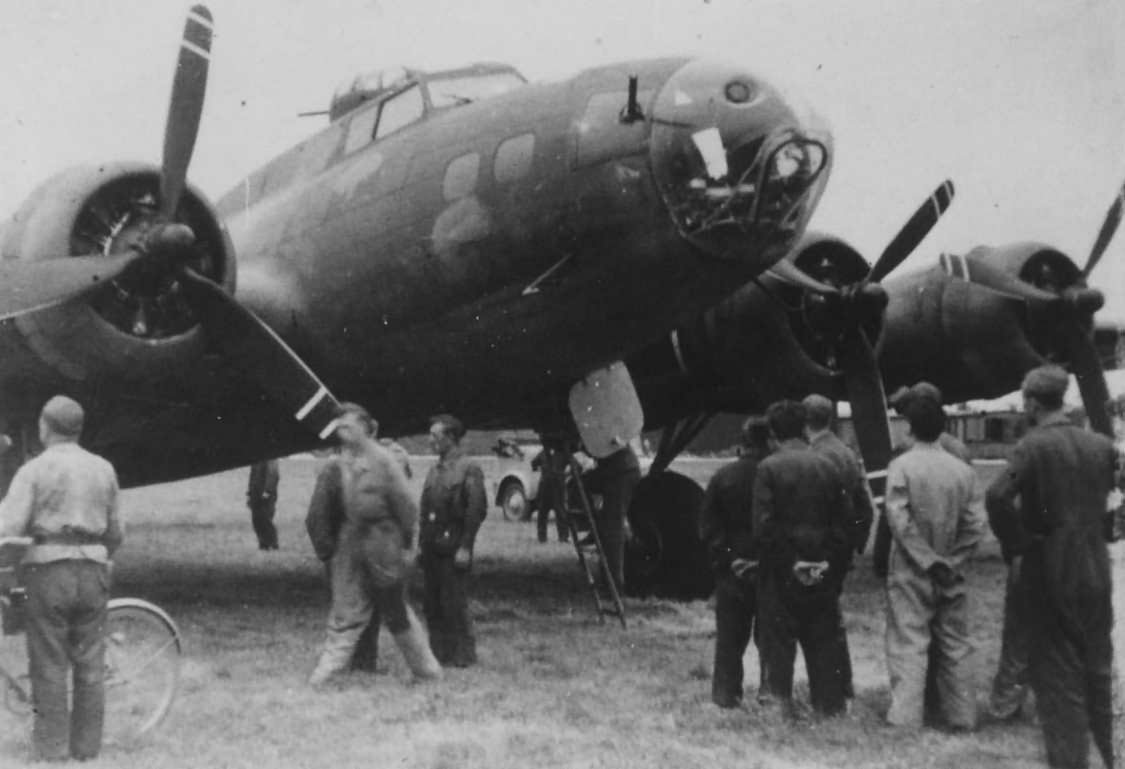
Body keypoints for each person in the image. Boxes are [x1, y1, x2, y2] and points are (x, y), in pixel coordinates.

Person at [986, 365, 1116, 769]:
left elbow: (997, 496)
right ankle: (1112, 755)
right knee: (1097, 667)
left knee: (1058, 677)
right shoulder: (1101, 445)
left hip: (1050, 567)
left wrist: (1020, 544)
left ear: (1030, 402)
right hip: (1096, 566)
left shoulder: (1033, 446)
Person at [0, 396, 122, 761]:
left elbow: (8, 525)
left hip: (48, 571)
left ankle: (52, 749)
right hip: (93, 570)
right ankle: (86, 749)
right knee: (89, 661)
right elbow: (116, 530)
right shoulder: (104, 469)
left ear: (44, 427)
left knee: (49, 661)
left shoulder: (35, 470)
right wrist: (100, 555)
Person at [306, 402, 441, 686]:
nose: (343, 431)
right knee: (345, 611)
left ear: (364, 428)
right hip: (350, 545)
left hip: (382, 545)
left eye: (349, 425)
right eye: (340, 425)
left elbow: (407, 509)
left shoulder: (384, 461)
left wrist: (407, 549)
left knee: (396, 612)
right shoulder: (342, 462)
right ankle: (326, 676)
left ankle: (427, 672)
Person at [883, 395, 983, 729]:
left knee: (909, 640)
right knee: (956, 643)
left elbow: (899, 520)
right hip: (951, 569)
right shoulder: (962, 471)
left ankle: (906, 716)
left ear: (909, 427)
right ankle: (962, 714)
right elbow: (974, 525)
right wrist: (951, 561)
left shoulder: (902, 466)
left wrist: (927, 560)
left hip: (912, 567)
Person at [751, 399, 853, 717]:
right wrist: (826, 563)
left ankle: (777, 705)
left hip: (782, 574)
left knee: (778, 641)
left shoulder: (768, 468)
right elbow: (843, 524)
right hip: (821, 570)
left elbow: (764, 529)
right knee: (823, 638)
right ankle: (830, 706)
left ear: (774, 433)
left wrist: (790, 562)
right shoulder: (828, 466)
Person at [802, 394, 875, 706]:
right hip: (841, 547)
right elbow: (864, 506)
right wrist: (855, 544)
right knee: (831, 615)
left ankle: (830, 690)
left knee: (819, 619)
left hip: (821, 548)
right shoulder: (846, 453)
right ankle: (842, 683)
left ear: (805, 421)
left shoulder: (814, 456)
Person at [699, 416, 770, 709]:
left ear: (744, 442)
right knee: (770, 640)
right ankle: (770, 694)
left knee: (729, 639)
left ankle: (726, 696)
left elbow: (708, 528)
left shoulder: (723, 476)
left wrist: (727, 559)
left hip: (732, 570)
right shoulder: (775, 474)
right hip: (769, 569)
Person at [419, 414, 487, 667]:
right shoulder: (434, 470)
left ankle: (463, 657)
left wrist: (466, 547)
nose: (431, 441)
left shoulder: (469, 468)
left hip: (453, 546)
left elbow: (476, 509)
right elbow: (425, 510)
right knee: (432, 604)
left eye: (435, 436)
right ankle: (439, 653)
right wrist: (420, 545)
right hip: (431, 548)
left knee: (454, 603)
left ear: (451, 438)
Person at [532, 445, 569, 544]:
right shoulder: (562, 452)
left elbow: (534, 464)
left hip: (549, 485)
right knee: (557, 511)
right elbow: (533, 463)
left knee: (545, 512)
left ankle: (543, 537)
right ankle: (562, 537)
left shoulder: (544, 452)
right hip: (555, 485)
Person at [246, 459, 280, 550]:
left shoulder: (271, 459)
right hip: (255, 493)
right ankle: (263, 543)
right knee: (256, 519)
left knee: (266, 519)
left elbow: (273, 475)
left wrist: (267, 491)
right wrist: (249, 493)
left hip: (266, 494)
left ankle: (273, 543)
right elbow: (252, 476)